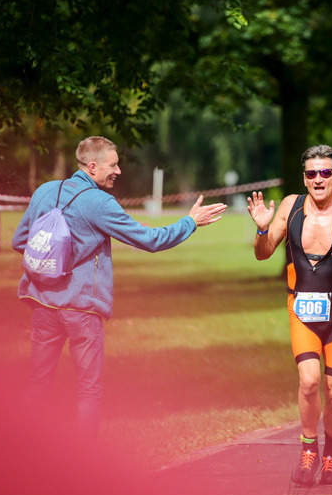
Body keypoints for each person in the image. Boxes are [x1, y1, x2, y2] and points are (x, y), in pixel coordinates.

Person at [12, 136, 226, 440]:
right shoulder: (99, 203)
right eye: (113, 165)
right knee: (88, 389)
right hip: (81, 309)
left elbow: (20, 241)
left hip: (42, 304)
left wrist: (53, 263)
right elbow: (151, 240)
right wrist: (190, 222)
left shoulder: (45, 191)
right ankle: (84, 464)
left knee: (38, 381)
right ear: (92, 166)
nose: (119, 171)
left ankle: (21, 449)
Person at [247, 144, 332, 486]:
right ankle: (308, 451)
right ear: (304, 178)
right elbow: (263, 255)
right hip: (301, 310)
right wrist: (263, 228)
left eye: (325, 172)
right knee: (308, 382)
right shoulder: (291, 207)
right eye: (312, 173)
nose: (318, 179)